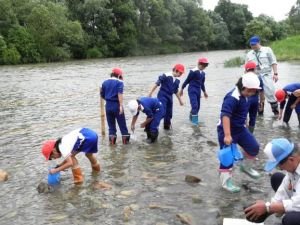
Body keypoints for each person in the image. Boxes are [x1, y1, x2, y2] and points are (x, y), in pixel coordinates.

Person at [217, 72, 261, 193]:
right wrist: (227, 135)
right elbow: (225, 116)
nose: (252, 94)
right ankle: (226, 183)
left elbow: (243, 110)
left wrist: (245, 122)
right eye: (250, 91)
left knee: (254, 147)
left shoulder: (246, 96)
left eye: (254, 92)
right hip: (226, 130)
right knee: (227, 158)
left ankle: (245, 167)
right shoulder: (232, 97)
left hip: (240, 129)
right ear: (243, 87)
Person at [245, 138, 300, 225]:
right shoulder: (294, 166)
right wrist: (266, 210)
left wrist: (268, 207)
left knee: (290, 219)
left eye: (279, 165)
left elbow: (298, 203)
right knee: (276, 177)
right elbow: (284, 189)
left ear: (291, 159)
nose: (280, 168)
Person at [246, 35, 279, 116]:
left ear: (259, 42)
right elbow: (246, 68)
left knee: (270, 92)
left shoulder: (267, 50)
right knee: (255, 96)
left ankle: (276, 113)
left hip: (266, 74)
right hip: (254, 76)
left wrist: (275, 74)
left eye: (254, 44)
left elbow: (273, 62)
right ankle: (260, 113)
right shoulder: (249, 54)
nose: (253, 46)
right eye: (251, 45)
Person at [148, 64, 185, 130]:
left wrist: (180, 100)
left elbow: (176, 91)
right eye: (180, 73)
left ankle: (166, 128)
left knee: (169, 114)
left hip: (170, 97)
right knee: (162, 112)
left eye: (182, 73)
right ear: (176, 70)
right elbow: (157, 83)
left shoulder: (177, 80)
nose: (181, 75)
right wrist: (151, 92)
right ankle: (151, 124)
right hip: (162, 95)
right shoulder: (166, 75)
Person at [100, 68, 130, 145]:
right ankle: (125, 146)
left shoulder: (104, 82)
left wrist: (108, 100)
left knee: (111, 127)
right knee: (122, 126)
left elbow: (102, 94)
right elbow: (120, 94)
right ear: (119, 75)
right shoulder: (119, 82)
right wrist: (120, 105)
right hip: (116, 105)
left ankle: (112, 146)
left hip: (108, 106)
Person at [178, 58, 209, 125]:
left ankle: (191, 118)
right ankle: (195, 124)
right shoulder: (193, 71)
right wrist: (182, 89)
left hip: (198, 90)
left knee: (198, 107)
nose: (204, 67)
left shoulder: (203, 73)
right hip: (192, 89)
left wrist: (204, 92)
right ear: (199, 64)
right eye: (203, 65)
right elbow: (187, 80)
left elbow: (202, 84)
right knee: (195, 106)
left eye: (205, 65)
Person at [244, 61, 264, 133]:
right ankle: (251, 134)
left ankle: (245, 135)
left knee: (244, 117)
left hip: (246, 99)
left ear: (246, 69)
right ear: (255, 69)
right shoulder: (258, 77)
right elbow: (262, 92)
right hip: (255, 100)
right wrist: (261, 102)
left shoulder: (244, 77)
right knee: (253, 118)